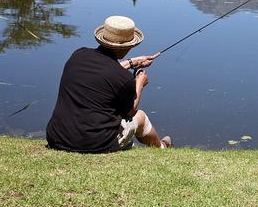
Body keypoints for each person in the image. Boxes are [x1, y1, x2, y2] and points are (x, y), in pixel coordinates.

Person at [46, 15, 172, 153]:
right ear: (128, 46)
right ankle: (161, 148)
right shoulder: (123, 78)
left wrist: (132, 62)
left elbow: (104, 71)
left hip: (56, 137)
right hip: (93, 144)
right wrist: (139, 84)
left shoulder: (78, 55)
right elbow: (130, 111)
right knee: (140, 116)